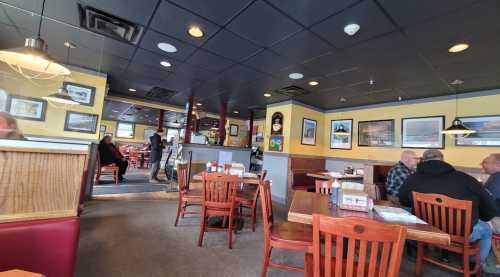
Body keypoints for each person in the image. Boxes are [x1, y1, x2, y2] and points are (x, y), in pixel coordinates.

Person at [399, 149, 497, 266]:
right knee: (486, 228)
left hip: (426, 229)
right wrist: (482, 217)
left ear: (423, 161)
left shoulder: (412, 179)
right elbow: (490, 207)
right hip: (462, 233)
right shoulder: (465, 179)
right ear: (443, 161)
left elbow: (403, 201)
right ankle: (473, 265)